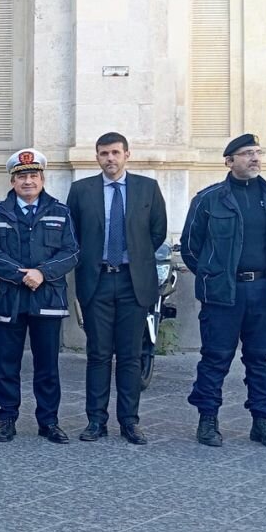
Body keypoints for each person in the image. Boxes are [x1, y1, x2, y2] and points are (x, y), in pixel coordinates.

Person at [181, 134, 266, 449]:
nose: (255, 158)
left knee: (260, 359)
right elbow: (191, 247)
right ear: (229, 161)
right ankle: (207, 421)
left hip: (265, 291)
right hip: (224, 294)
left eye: (257, 152)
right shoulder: (209, 199)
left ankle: (262, 422)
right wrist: (212, 276)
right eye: (246, 153)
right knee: (215, 358)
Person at [66, 132, 167, 445]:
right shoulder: (81, 190)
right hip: (96, 281)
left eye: (115, 153)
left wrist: (133, 259)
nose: (110, 159)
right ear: (96, 157)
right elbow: (73, 234)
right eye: (103, 153)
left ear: (127, 154)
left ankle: (129, 422)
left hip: (132, 281)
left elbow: (157, 232)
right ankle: (96, 421)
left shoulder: (147, 188)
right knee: (97, 354)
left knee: (130, 356)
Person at [0, 148, 79, 444]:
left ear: (42, 178)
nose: (28, 181)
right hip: (8, 297)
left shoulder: (60, 212)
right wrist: (22, 274)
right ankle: (7, 418)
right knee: (7, 362)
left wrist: (42, 273)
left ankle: (49, 421)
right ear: (13, 181)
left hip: (46, 298)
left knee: (47, 365)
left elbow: (72, 251)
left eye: (33, 175)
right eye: (22, 176)